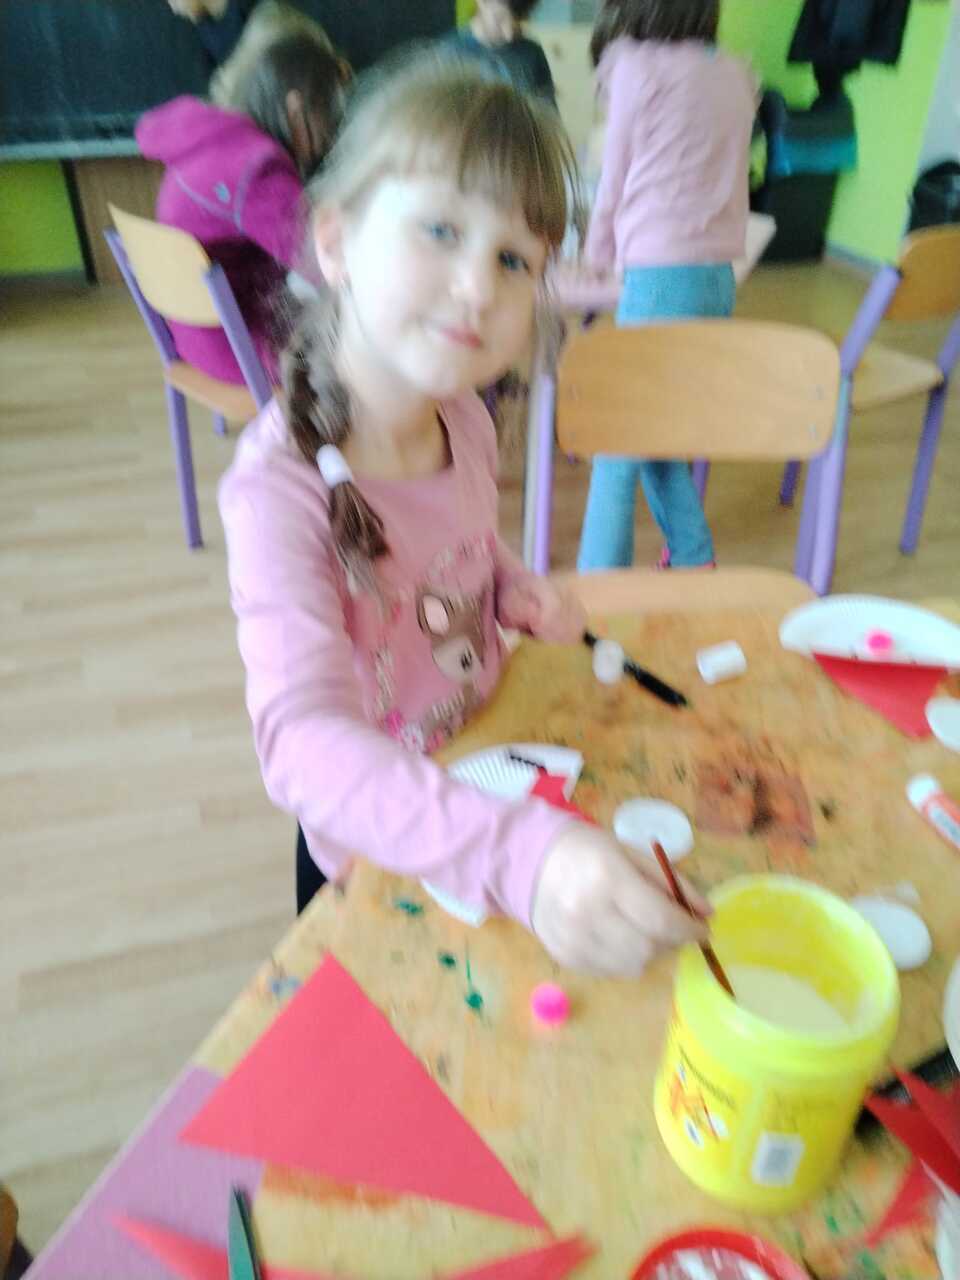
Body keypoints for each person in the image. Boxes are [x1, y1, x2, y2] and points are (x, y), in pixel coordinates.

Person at [218, 58, 708, 975]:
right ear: (336, 242)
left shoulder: (467, 421)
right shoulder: (276, 490)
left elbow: (460, 543)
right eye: (441, 230)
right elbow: (302, 742)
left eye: (514, 259)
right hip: (375, 848)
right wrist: (520, 856)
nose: (479, 287)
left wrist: (513, 583)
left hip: (488, 760)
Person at [577, 0, 756, 572]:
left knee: (617, 445)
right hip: (717, 279)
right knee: (654, 431)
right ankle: (694, 556)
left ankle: (598, 590)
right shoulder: (735, 72)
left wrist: (596, 252)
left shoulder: (637, 66)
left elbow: (613, 176)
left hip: (659, 278)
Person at [137, 8, 349, 385]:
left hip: (197, 334)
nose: (327, 138)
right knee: (364, 339)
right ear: (296, 108)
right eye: (327, 120)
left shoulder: (214, 138)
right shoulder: (258, 169)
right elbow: (318, 263)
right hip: (242, 345)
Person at [444, 0, 557, 104]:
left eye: (517, 23)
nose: (509, 35)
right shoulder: (447, 55)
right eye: (501, 19)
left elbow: (548, 113)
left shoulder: (533, 53)